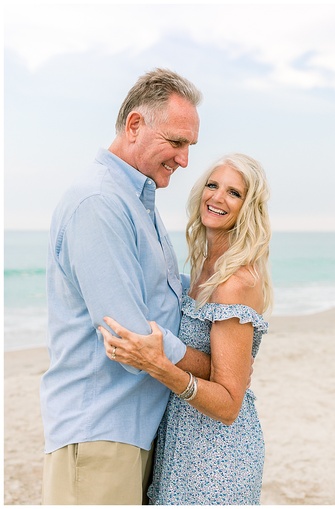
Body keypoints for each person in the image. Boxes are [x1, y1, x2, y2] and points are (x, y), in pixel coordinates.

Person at [40, 68, 212, 505]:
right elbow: (132, 338)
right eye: (176, 142)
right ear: (135, 125)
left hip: (134, 431)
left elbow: (166, 293)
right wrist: (210, 367)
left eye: (189, 146)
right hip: (101, 431)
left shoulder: (137, 200)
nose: (185, 159)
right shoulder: (100, 202)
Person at [99, 153, 272, 504]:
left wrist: (158, 365)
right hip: (180, 441)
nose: (218, 198)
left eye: (234, 193)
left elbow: (228, 404)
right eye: (213, 185)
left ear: (248, 207)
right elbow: (213, 361)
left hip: (218, 454)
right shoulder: (204, 265)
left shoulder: (234, 282)